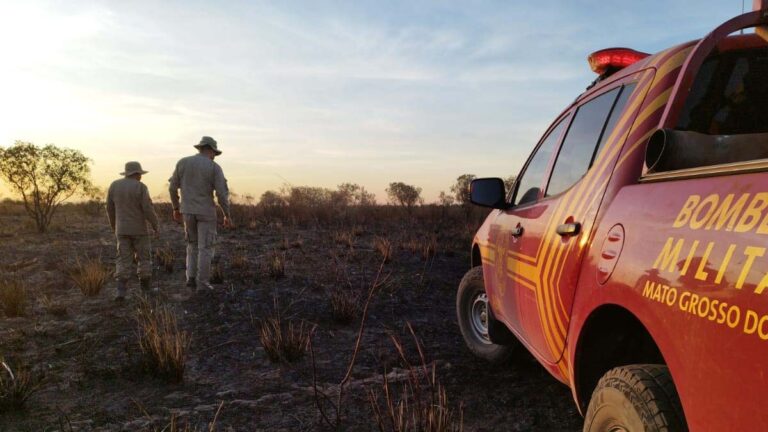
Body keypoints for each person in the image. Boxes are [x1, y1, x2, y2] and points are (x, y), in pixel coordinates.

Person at [169, 136, 232, 292]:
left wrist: (175, 208)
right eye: (214, 153)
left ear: (200, 148)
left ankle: (190, 278)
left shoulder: (182, 162)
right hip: (206, 212)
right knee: (206, 247)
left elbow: (172, 188)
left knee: (191, 244)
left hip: (187, 211)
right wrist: (227, 215)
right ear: (210, 150)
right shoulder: (214, 167)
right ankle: (202, 283)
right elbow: (222, 195)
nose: (214, 156)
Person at [106, 161, 160, 301]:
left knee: (123, 259)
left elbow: (109, 209)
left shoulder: (114, 185)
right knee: (144, 258)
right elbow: (148, 209)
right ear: (137, 174)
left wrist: (114, 226)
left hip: (121, 229)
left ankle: (121, 292)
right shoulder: (141, 187)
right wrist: (155, 225)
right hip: (139, 230)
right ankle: (145, 290)